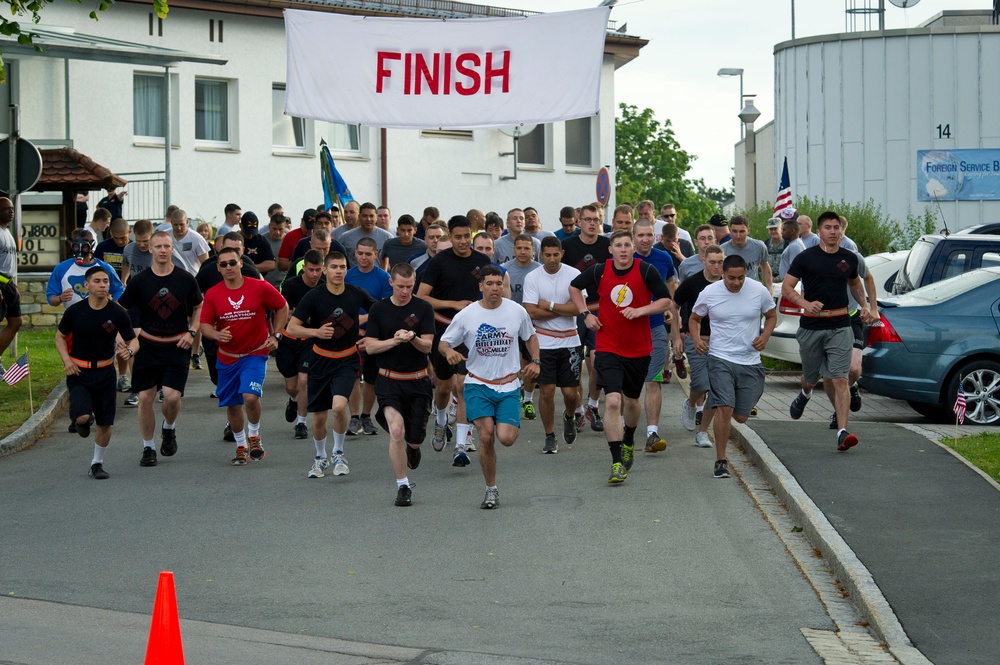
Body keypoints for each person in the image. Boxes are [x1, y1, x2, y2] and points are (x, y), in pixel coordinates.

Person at [568, 230, 673, 484]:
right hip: (607, 344)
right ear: (611, 250)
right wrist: (585, 314)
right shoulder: (600, 271)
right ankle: (616, 462)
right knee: (613, 402)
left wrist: (641, 311)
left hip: (638, 348)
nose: (624, 249)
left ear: (633, 248)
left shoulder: (645, 270)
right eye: (619, 245)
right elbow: (573, 287)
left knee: (632, 401)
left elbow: (666, 301)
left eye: (628, 245)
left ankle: (629, 438)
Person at [439, 265, 540, 509]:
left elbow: (531, 336)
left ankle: (504, 420)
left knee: (505, 438)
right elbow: (443, 342)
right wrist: (450, 352)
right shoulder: (467, 314)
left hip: (507, 385)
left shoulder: (516, 311)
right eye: (490, 283)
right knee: (486, 437)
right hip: (478, 384)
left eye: (499, 284)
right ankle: (491, 489)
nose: (495, 288)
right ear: (481, 286)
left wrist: (536, 361)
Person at [782, 211, 874, 452]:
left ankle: (842, 432)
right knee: (811, 378)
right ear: (819, 232)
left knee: (840, 378)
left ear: (840, 231)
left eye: (836, 227)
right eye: (827, 227)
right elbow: (787, 287)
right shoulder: (805, 257)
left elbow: (855, 283)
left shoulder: (849, 258)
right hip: (812, 326)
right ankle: (805, 393)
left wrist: (864, 306)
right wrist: (805, 304)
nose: (833, 231)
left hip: (840, 325)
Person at [117, 230, 203, 467]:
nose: (163, 250)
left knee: (172, 398)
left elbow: (198, 307)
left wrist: (192, 332)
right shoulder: (140, 281)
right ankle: (148, 448)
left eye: (167, 246)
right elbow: (120, 309)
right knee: (145, 397)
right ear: (151, 249)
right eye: (158, 247)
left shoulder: (185, 279)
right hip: (148, 346)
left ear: (172, 249)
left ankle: (169, 428)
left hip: (177, 345)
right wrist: (120, 335)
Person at [286, 252, 375, 479]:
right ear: (325, 270)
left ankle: (338, 453)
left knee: (338, 407)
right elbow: (292, 327)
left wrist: (371, 335)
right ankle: (319, 457)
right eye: (333, 267)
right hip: (319, 359)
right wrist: (315, 331)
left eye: (342, 267)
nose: (338, 271)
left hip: (346, 359)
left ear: (347, 269)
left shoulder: (356, 294)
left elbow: (379, 311)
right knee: (320, 416)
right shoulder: (314, 296)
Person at [689, 255, 776, 478]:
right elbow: (694, 318)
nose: (736, 283)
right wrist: (697, 340)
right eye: (731, 278)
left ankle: (722, 410)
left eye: (740, 278)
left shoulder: (758, 291)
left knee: (741, 417)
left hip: (750, 361)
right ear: (722, 274)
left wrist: (765, 336)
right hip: (720, 358)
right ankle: (721, 460)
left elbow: (771, 316)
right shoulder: (710, 292)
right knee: (725, 408)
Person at [200, 246, 289, 466]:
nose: (229, 267)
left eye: (233, 262)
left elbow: (282, 306)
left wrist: (276, 335)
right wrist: (216, 333)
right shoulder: (213, 294)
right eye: (224, 264)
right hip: (227, 356)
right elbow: (205, 325)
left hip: (254, 354)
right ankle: (241, 446)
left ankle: (254, 435)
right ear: (218, 269)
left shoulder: (259, 287)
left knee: (250, 397)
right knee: (232, 404)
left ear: (241, 263)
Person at [416, 215, 492, 465]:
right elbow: (422, 296)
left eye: (465, 237)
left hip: (471, 332)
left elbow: (491, 291)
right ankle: (440, 420)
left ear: (471, 235)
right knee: (444, 387)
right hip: (443, 328)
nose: (461, 242)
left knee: (464, 385)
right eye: (456, 237)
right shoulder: (438, 262)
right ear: (450, 236)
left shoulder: (482, 261)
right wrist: (453, 304)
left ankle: (461, 443)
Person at [361, 263, 435, 507]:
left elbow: (428, 346)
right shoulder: (379, 309)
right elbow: (370, 347)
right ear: (391, 283)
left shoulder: (423, 307)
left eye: (410, 286)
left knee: (414, 439)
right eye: (401, 286)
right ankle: (403, 486)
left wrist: (412, 338)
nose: (405, 291)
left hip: (418, 382)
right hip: (389, 381)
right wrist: (394, 341)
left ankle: (413, 447)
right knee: (396, 431)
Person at [55, 266, 136, 479]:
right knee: (82, 417)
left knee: (105, 423)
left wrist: (129, 351)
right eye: (98, 281)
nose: (102, 285)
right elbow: (59, 337)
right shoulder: (75, 311)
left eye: (106, 281)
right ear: (87, 285)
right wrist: (67, 360)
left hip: (105, 373)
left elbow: (133, 339)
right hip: (79, 373)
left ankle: (97, 464)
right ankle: (80, 421)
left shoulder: (117, 312)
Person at [522, 236, 583, 453]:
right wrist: (561, 308)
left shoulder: (573, 274)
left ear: (562, 253)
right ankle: (549, 435)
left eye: (555, 254)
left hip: (570, 340)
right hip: (543, 341)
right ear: (541, 255)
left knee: (569, 393)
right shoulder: (533, 277)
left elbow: (578, 308)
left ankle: (569, 416)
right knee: (546, 392)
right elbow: (530, 311)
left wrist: (547, 305)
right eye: (547, 255)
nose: (551, 259)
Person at [633, 218, 683, 454]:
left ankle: (652, 433)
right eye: (640, 235)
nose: (645, 239)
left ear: (655, 237)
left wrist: (675, 331)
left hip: (655, 329)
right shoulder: (623, 260)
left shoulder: (663, 258)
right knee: (628, 386)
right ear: (633, 237)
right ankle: (626, 429)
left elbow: (671, 293)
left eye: (648, 235)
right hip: (628, 331)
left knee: (653, 381)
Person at [561, 204, 611, 430]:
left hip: (600, 309)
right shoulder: (567, 246)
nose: (592, 223)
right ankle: (578, 410)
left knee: (598, 360)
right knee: (575, 364)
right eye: (588, 219)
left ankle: (593, 405)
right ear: (578, 221)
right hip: (573, 310)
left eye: (596, 219)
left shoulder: (607, 245)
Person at [672, 245, 724, 446]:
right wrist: (676, 337)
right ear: (704, 260)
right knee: (701, 383)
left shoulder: (728, 283)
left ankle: (703, 432)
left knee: (716, 388)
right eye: (712, 262)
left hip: (721, 342)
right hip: (696, 339)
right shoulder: (692, 283)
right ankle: (691, 403)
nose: (717, 267)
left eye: (720, 262)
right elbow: (673, 306)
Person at [345, 237, 393, 436]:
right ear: (355, 253)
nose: (364, 258)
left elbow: (385, 306)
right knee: (354, 376)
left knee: (371, 378)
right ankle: (354, 417)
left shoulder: (383, 277)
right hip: (351, 334)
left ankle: (367, 416)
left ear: (376, 254)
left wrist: (364, 318)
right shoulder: (347, 276)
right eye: (360, 253)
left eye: (368, 254)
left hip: (374, 335)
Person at [276, 249, 324, 440]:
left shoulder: (324, 287)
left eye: (318, 270)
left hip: (311, 340)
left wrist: (300, 315)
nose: (314, 274)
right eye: (311, 270)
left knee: (304, 380)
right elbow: (284, 314)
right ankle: (293, 400)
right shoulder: (290, 286)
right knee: (292, 385)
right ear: (303, 268)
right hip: (289, 339)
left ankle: (301, 423)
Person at [501, 233, 541, 419]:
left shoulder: (539, 271)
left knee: (529, 363)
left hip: (531, 322)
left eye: (527, 248)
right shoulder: (503, 270)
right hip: (508, 322)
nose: (523, 252)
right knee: (510, 362)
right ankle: (511, 394)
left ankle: (528, 399)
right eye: (519, 248)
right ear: (513, 249)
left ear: (533, 250)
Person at [47, 229, 124, 311]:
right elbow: (51, 297)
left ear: (92, 245)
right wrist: (60, 298)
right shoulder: (61, 268)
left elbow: (119, 290)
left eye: (84, 247)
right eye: (76, 246)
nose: (80, 251)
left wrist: (114, 306)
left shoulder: (105, 268)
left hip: (100, 318)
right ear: (71, 245)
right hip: (74, 319)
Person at [720, 215, 773, 293]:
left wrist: (770, 288)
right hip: (730, 292)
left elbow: (765, 266)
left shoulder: (759, 246)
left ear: (748, 231)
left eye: (742, 231)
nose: (738, 236)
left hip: (753, 291)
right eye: (735, 231)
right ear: (730, 231)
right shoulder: (722, 250)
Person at [0, 197, 23, 357]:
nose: (11, 211)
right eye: (7, 209)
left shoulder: (7, 231)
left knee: (16, 322)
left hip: (9, 284)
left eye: (12, 208)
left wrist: (13, 285)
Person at [339, 202, 395, 267]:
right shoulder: (346, 237)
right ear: (359, 217)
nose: (368, 219)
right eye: (364, 216)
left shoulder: (387, 237)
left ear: (376, 217)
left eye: (371, 216)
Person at [277, 208, 316, 273]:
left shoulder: (325, 238)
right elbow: (281, 265)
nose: (311, 232)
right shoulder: (290, 236)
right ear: (302, 221)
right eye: (308, 228)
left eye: (313, 228)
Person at [264, 212, 288, 289]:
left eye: (280, 229)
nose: (277, 232)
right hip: (265, 284)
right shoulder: (262, 240)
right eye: (274, 229)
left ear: (285, 227)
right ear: (269, 226)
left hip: (284, 283)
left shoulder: (289, 241)